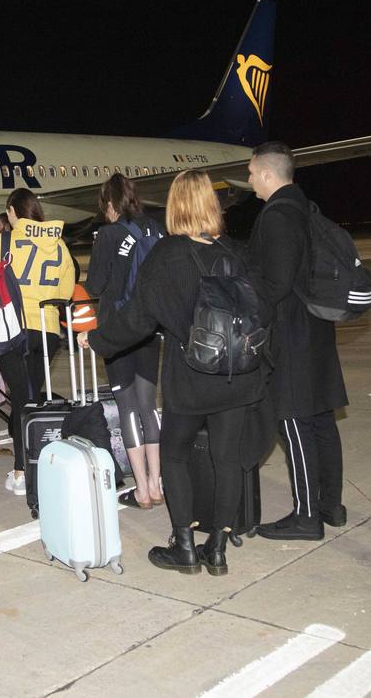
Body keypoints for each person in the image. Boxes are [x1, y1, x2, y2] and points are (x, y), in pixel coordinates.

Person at [88, 171, 269, 576]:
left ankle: (184, 545)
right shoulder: (237, 252)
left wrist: (98, 339)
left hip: (190, 375)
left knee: (175, 453)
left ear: (175, 206)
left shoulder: (168, 255)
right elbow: (264, 308)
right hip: (237, 376)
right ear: (210, 203)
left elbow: (136, 318)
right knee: (227, 460)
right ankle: (217, 549)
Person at [245, 142, 349, 541]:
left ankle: (307, 517)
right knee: (321, 419)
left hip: (290, 334)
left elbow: (276, 283)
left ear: (268, 174)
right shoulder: (303, 208)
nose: (250, 179)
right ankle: (330, 506)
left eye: (253, 172)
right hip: (314, 329)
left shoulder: (278, 215)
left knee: (292, 421)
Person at [85, 173, 165, 508]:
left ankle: (142, 490)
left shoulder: (108, 234)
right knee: (149, 406)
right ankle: (158, 483)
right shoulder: (155, 228)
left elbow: (95, 285)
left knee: (128, 407)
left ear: (108, 203)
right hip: (150, 328)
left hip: (118, 330)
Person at [0, 188, 76, 497]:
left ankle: (21, 470)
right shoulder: (59, 244)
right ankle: (35, 461)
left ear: (14, 212)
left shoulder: (7, 241)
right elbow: (66, 290)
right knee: (30, 396)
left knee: (20, 399)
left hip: (14, 327)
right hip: (47, 329)